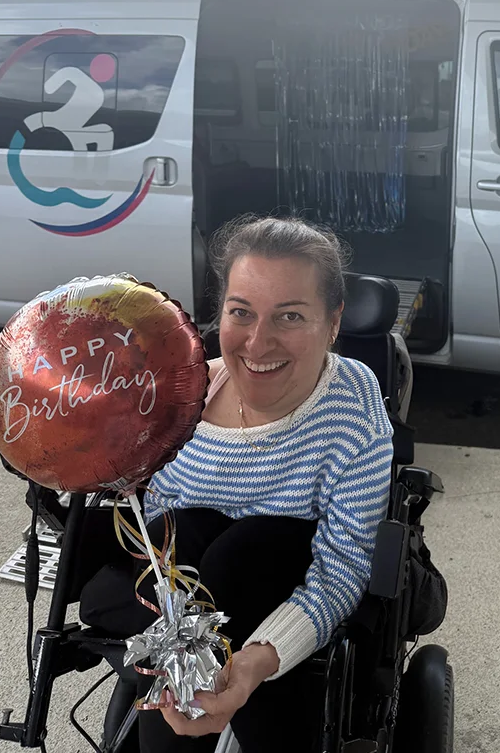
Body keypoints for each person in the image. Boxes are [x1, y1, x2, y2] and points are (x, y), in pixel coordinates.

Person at [84, 216, 393, 753]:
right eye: (241, 313)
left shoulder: (353, 411)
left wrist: (251, 666)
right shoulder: (183, 395)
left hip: (287, 588)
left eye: (290, 316)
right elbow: (149, 516)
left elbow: (343, 567)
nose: (258, 341)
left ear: (334, 322)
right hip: (180, 593)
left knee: (239, 550)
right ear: (219, 312)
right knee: (176, 534)